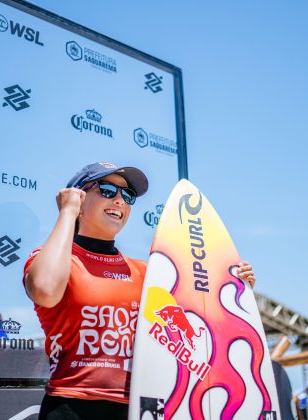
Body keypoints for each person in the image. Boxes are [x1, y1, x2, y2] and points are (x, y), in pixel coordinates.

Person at [23, 162, 257, 420]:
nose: (120, 200)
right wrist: (67, 213)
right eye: (108, 190)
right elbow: (44, 290)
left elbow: (194, 325)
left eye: (128, 195)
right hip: (72, 407)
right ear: (78, 197)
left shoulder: (147, 272)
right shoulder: (54, 260)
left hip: (141, 408)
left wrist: (234, 287)